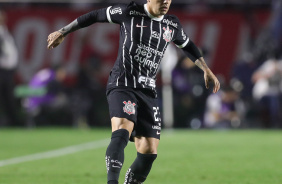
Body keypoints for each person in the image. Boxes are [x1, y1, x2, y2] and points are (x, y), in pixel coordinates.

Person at [47, 0, 220, 183]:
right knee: (122, 129)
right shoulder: (129, 12)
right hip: (123, 84)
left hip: (148, 91)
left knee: (149, 151)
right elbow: (94, 15)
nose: (166, 3)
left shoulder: (171, 24)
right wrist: (63, 31)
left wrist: (206, 69)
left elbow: (188, 46)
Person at [0, 10, 20, 126]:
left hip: (8, 71)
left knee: (9, 97)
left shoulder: (5, 31)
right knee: (4, 98)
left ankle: (12, 121)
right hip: (2, 70)